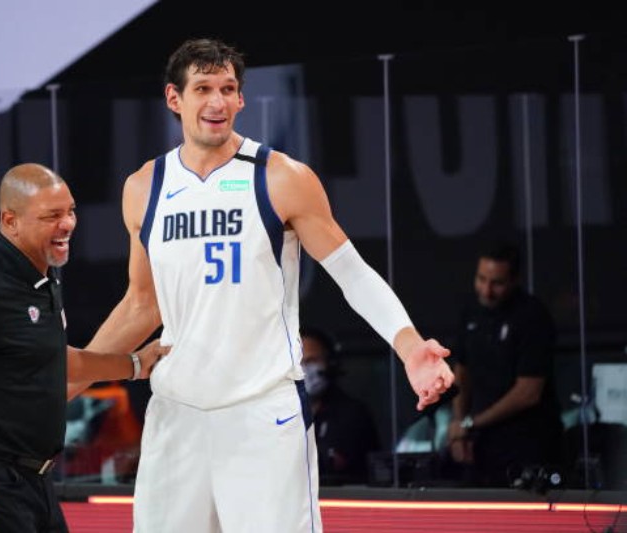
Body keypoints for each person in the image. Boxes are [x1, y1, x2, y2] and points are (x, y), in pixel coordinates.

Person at [80, 38, 454, 533]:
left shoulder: (280, 177)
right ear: (174, 98)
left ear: (241, 99)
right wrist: (73, 378)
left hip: (261, 413)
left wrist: (409, 347)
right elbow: (141, 304)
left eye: (227, 88)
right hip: (177, 413)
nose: (217, 101)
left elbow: (352, 272)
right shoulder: (144, 188)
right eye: (203, 88)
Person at [0, 163, 169, 533]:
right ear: (10, 221)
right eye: (52, 216)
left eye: (70, 211)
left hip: (34, 484)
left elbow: (51, 359)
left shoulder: (39, 277)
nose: (67, 224)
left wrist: (133, 365)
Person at [446, 240, 564, 487]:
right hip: (481, 445)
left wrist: (470, 423)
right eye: (481, 279)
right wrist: (459, 427)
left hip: (526, 444)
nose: (486, 290)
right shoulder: (470, 311)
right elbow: (461, 371)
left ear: (515, 280)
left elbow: (528, 393)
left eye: (497, 283)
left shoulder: (532, 316)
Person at [301, 326, 381, 486]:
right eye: (299, 363)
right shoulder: (280, 414)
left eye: (311, 361)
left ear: (330, 363)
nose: (304, 369)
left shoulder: (353, 415)